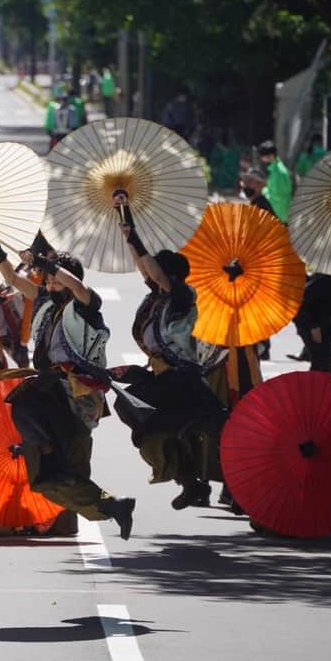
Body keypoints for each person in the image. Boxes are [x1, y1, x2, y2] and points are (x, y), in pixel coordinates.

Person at [0, 222, 136, 539]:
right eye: (46, 280)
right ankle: (112, 507)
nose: (47, 283)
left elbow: (75, 285)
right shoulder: (44, 300)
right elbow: (10, 278)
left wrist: (45, 262)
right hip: (52, 391)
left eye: (52, 278)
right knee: (47, 479)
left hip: (75, 395)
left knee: (29, 409)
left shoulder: (87, 305)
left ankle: (56, 464)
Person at [117, 203, 227, 510]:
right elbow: (143, 264)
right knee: (147, 424)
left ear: (171, 276)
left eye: (158, 272)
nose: (150, 276)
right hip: (161, 374)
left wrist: (135, 237)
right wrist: (125, 218)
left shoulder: (181, 296)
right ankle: (189, 482)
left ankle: (197, 470)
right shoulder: (157, 297)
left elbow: (151, 268)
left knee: (151, 419)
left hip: (181, 377)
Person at [290, 273, 331, 373]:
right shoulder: (321, 279)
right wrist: (312, 326)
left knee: (325, 366)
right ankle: (313, 387)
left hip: (325, 321)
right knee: (319, 364)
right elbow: (302, 305)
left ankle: (321, 386)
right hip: (308, 319)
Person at [256, 140, 292, 223]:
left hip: (279, 213)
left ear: (271, 156)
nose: (262, 159)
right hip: (281, 213)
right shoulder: (277, 169)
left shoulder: (278, 173)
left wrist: (263, 191)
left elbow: (276, 196)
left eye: (262, 156)